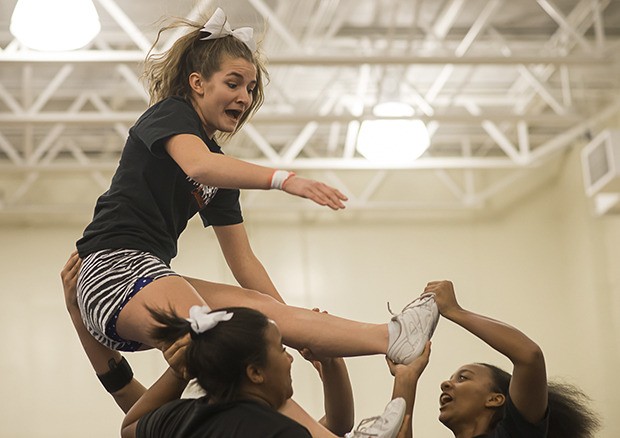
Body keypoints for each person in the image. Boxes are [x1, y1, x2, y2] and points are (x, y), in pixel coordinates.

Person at [74, 7, 439, 370]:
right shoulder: (171, 114)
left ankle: (391, 338)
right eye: (232, 84)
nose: (244, 98)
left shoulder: (220, 177)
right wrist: (285, 180)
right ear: (197, 83)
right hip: (113, 271)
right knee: (222, 339)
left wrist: (291, 321)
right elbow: (197, 164)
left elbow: (245, 263)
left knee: (263, 315)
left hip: (149, 277)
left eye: (249, 89)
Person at [62, 251, 422, 438]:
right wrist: (405, 381)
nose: (291, 358)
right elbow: (337, 428)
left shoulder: (185, 418)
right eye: (282, 349)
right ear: (254, 372)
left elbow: (129, 423)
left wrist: (78, 316)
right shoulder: (274, 430)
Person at [388, 280, 602, 438]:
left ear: (495, 399)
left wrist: (455, 311)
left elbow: (529, 356)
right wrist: (406, 378)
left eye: (463, 378)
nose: (445, 384)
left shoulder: (514, 433)